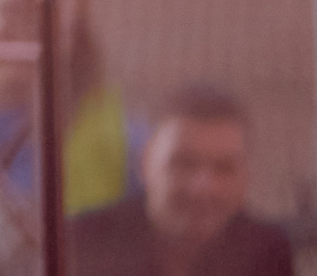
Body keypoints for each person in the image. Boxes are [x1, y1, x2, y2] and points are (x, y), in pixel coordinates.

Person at [69, 85, 292, 276]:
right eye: (184, 163)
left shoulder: (266, 252)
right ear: (145, 164)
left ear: (246, 176)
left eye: (224, 168)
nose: (203, 187)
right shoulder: (83, 243)